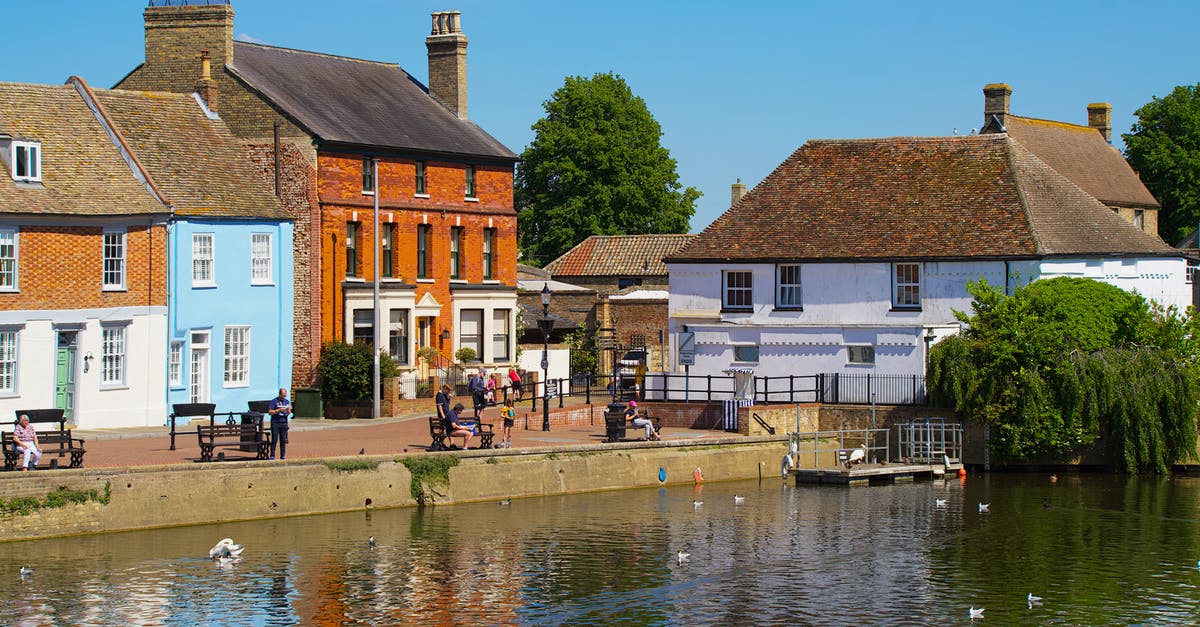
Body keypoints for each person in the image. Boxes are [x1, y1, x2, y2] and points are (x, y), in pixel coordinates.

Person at [268, 387, 292, 460]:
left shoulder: (287, 401)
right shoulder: (274, 401)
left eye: (285, 395)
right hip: (275, 422)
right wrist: (278, 410)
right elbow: (270, 412)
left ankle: (283, 455)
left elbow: (289, 412)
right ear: (280, 394)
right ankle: (272, 455)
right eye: (283, 395)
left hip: (283, 422)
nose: (284, 397)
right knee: (274, 439)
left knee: (283, 440)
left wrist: (288, 411)